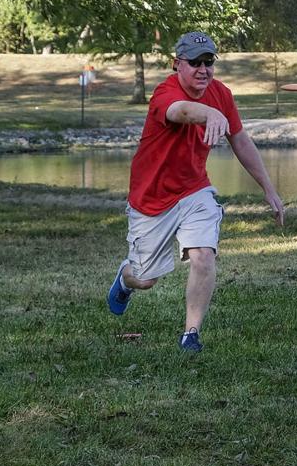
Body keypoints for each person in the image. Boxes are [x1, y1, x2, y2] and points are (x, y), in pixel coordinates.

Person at [107, 31, 284, 352]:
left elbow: (240, 140)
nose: (203, 69)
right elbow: (181, 112)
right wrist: (210, 113)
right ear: (177, 64)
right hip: (152, 198)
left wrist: (268, 188)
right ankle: (125, 279)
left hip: (194, 189)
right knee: (145, 279)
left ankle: (191, 334)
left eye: (208, 62)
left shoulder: (221, 94)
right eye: (195, 63)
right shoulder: (165, 93)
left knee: (204, 255)